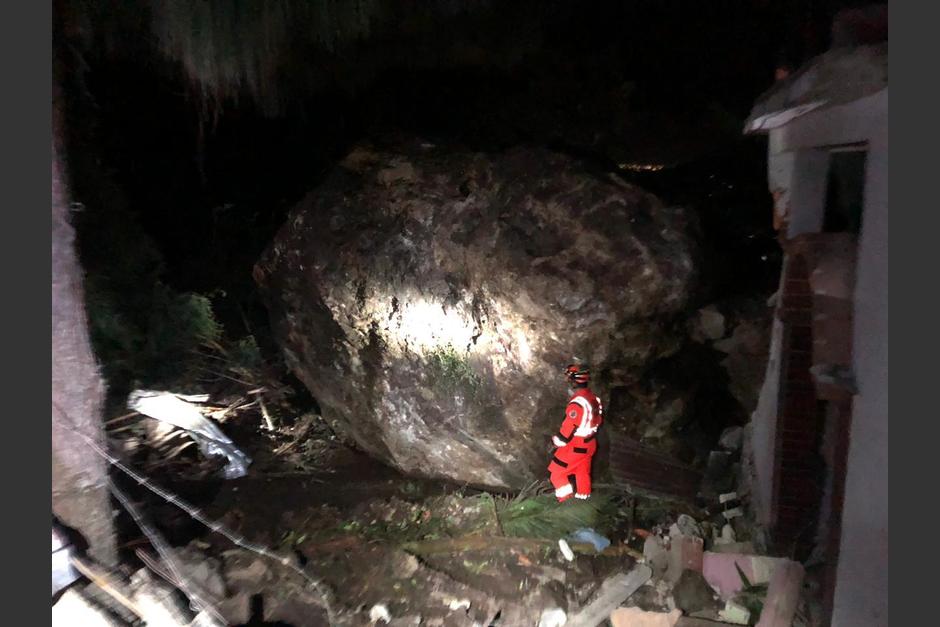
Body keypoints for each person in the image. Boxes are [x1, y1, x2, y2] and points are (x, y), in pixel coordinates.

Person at [548, 364, 603, 502]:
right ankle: (584, 501)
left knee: (557, 473)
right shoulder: (594, 399)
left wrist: (556, 440)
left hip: (576, 446)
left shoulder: (577, 404)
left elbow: (566, 433)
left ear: (573, 380)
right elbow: (598, 419)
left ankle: (566, 503)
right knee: (582, 473)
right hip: (590, 443)